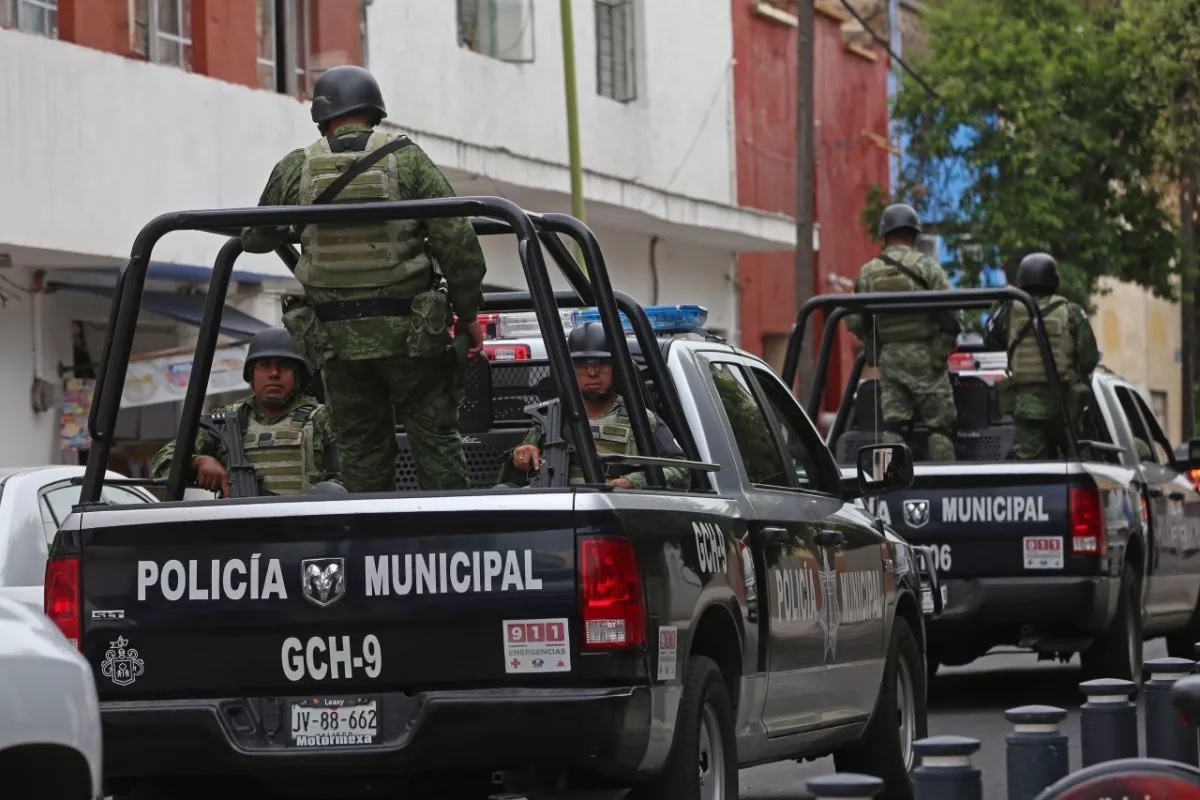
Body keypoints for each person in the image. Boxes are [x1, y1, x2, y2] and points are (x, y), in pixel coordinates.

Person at [240, 64, 487, 494]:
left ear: (322, 114)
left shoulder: (297, 166)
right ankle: (452, 539)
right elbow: (457, 241)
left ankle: (371, 544)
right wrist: (467, 314)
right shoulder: (407, 159)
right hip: (411, 339)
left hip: (336, 341)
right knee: (435, 441)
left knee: (361, 451)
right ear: (374, 111)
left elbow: (256, 238)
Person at [149, 327, 339, 496]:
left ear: (298, 375)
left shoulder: (323, 420)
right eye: (264, 366)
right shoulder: (226, 422)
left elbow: (352, 478)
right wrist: (198, 462)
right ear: (251, 374)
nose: (274, 373)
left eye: (284, 366)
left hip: (303, 528)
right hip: (239, 526)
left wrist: (326, 494)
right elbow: (161, 464)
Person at [506, 323, 691, 490]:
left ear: (616, 369)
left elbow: (681, 471)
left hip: (616, 513)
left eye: (602, 364)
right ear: (569, 370)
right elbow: (516, 468)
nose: (593, 372)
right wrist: (521, 454)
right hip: (557, 511)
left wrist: (633, 482)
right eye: (582, 365)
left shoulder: (641, 418)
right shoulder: (550, 418)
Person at [846, 203, 960, 462]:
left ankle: (885, 484)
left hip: (890, 359)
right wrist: (941, 349)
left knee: (893, 428)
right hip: (927, 359)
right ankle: (945, 484)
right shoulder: (927, 267)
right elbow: (954, 314)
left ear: (884, 235)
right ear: (914, 235)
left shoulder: (868, 272)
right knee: (940, 428)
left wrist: (875, 346)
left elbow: (853, 320)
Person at [984, 252, 1098, 460]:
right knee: (1073, 460)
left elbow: (990, 339)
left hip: (1026, 407)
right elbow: (1089, 358)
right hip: (1065, 404)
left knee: (1031, 467)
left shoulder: (1010, 311)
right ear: (1054, 279)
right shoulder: (1071, 311)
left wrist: (999, 301)